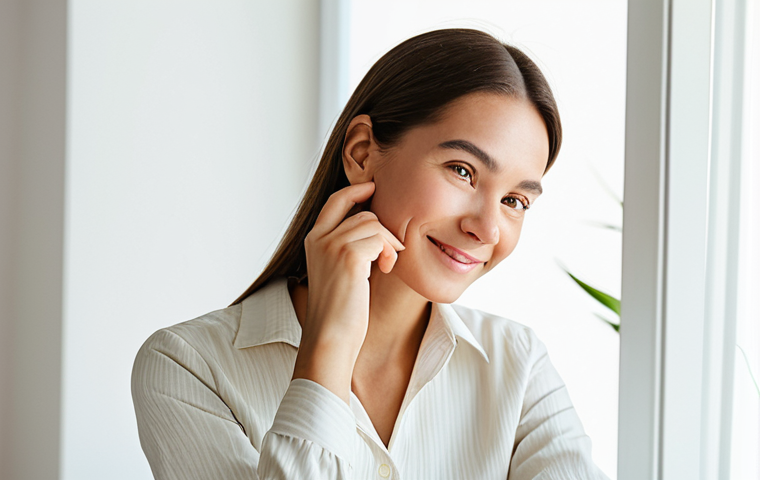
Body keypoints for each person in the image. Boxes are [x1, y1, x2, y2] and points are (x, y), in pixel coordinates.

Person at [132, 28, 609, 479]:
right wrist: (329, 348)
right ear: (362, 153)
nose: (485, 229)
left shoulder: (517, 365)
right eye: (462, 171)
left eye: (514, 202)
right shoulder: (187, 366)